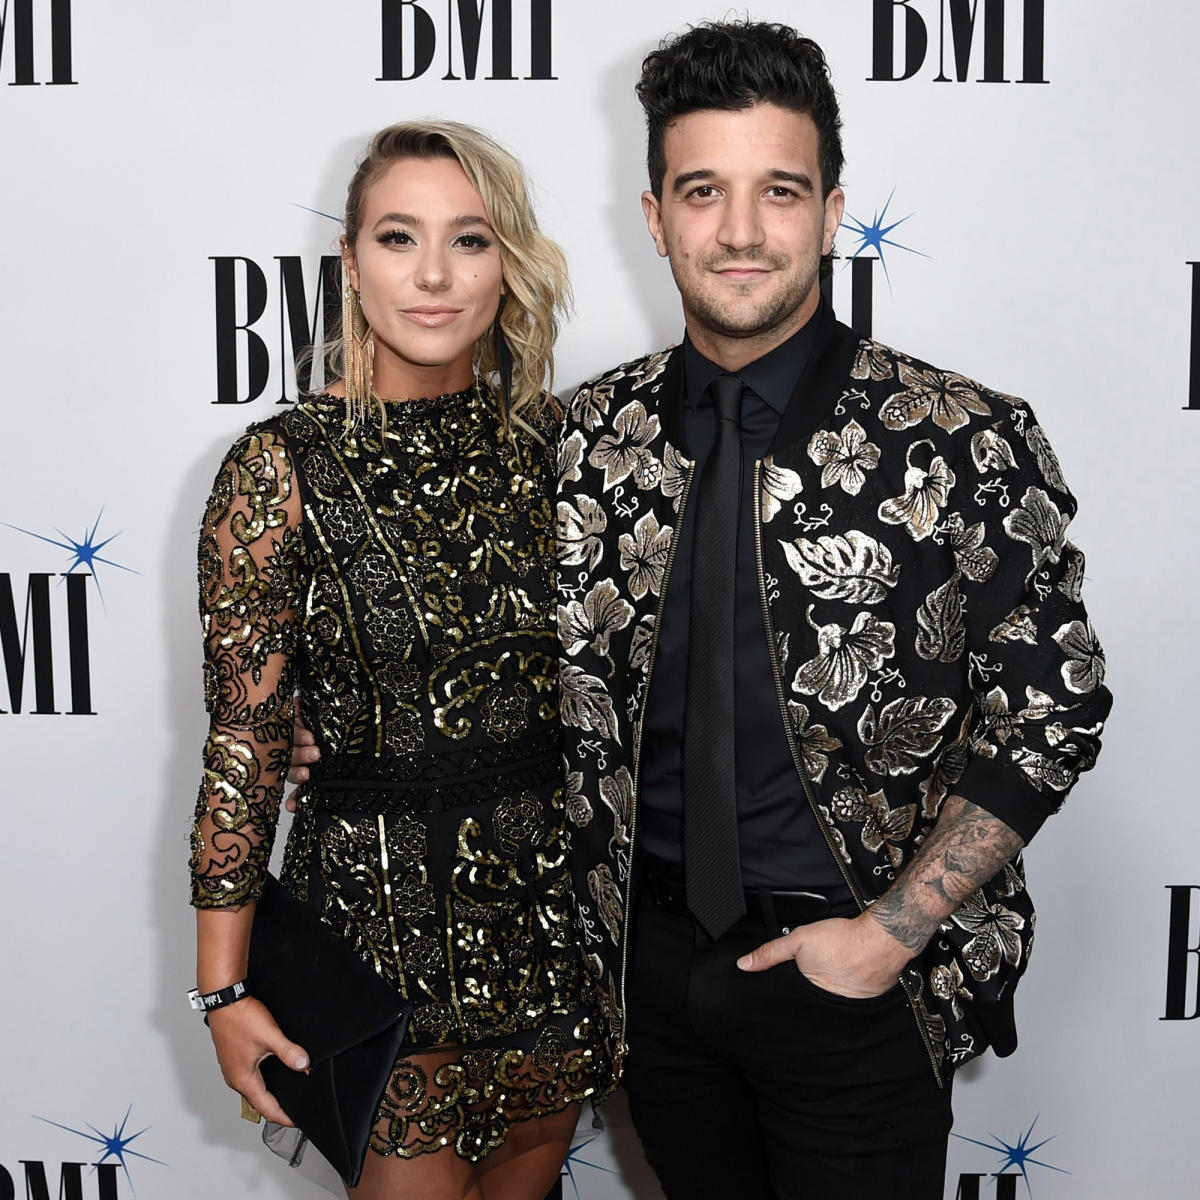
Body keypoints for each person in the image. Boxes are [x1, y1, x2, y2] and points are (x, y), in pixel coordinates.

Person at [553, 19, 1112, 1200]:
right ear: (653, 218)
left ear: (833, 209)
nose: (742, 232)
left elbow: (1052, 708)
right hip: (647, 978)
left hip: (857, 977)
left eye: (780, 191)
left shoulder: (959, 435)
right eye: (703, 191)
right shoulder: (581, 440)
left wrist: (892, 937)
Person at [189, 120, 611, 1200]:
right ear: (350, 261)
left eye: (469, 241)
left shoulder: (556, 450)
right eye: (398, 237)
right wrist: (222, 991)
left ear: (507, 264)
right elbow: (244, 742)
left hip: (552, 938)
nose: (432, 275)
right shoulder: (278, 467)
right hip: (372, 949)